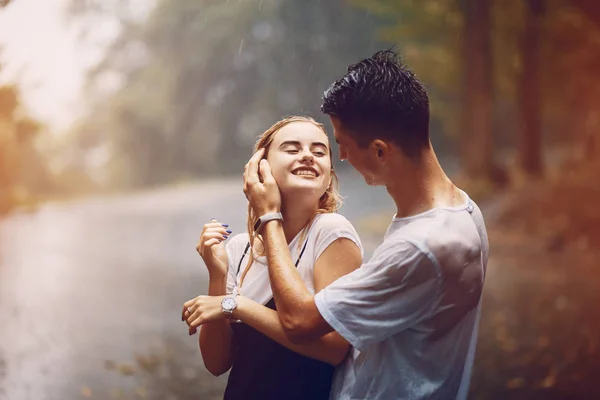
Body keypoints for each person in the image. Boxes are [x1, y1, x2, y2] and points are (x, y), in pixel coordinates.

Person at [209, 50, 489, 399]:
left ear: (380, 152)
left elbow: (302, 323)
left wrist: (268, 215)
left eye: (338, 145)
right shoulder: (463, 209)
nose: (340, 158)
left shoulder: (420, 246)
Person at [182, 116, 363, 400]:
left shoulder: (330, 232)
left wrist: (237, 306)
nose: (307, 156)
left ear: (329, 173)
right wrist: (217, 275)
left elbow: (334, 349)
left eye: (319, 151)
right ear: (259, 168)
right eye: (292, 149)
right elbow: (217, 364)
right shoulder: (240, 249)